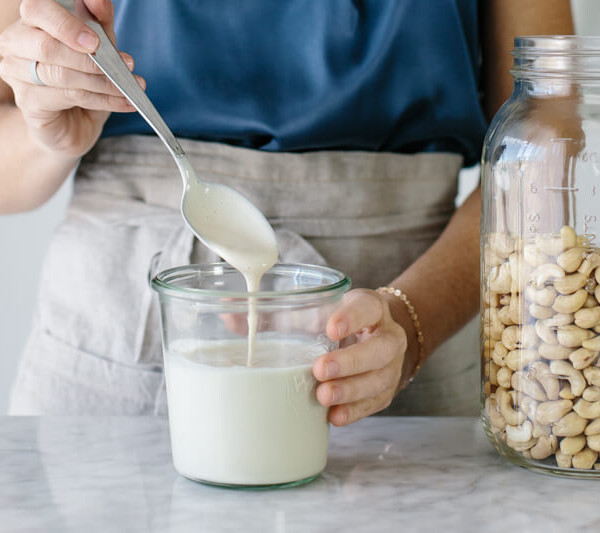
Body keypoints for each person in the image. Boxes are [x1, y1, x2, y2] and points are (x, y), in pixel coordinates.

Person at [0, 0, 574, 423]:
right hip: (106, 347)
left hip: (394, 347)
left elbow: (543, 156)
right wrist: (49, 133)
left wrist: (410, 324)